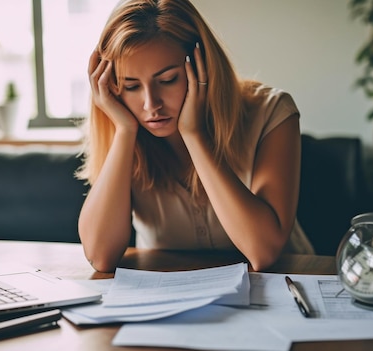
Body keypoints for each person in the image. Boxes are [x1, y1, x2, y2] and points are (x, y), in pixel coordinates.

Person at [76, 0, 315, 273]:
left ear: (203, 68)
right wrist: (125, 131)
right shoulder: (126, 130)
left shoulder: (272, 113)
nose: (150, 104)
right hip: (173, 301)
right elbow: (100, 256)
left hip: (287, 289)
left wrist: (194, 134)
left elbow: (262, 252)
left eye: (167, 80)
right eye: (131, 86)